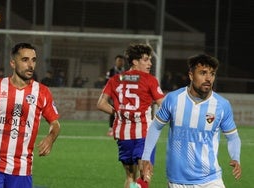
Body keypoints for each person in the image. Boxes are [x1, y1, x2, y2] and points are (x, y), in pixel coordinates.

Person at [141, 54, 242, 188]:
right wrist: (146, 156)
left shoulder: (222, 105)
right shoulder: (173, 99)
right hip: (177, 181)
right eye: (203, 73)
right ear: (191, 75)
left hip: (211, 179)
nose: (208, 78)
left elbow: (233, 137)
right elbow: (155, 127)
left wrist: (236, 157)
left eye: (212, 74)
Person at [0, 42, 61, 188]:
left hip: (22, 168)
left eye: (33, 60)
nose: (31, 65)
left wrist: (51, 138)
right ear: (13, 63)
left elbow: (55, 124)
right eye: (25, 60)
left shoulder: (42, 92)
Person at [97, 43, 164, 188]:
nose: (150, 63)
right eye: (146, 60)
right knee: (145, 174)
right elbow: (163, 105)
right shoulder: (150, 80)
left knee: (130, 178)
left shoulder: (115, 79)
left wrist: (120, 113)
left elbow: (101, 104)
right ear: (135, 61)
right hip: (144, 133)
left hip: (123, 135)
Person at [105, 54, 126, 136]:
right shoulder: (111, 71)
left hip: (125, 94)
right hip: (114, 94)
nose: (120, 63)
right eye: (118, 61)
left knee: (124, 111)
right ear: (115, 62)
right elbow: (106, 83)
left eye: (121, 61)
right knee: (113, 110)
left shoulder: (127, 71)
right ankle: (111, 129)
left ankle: (121, 128)